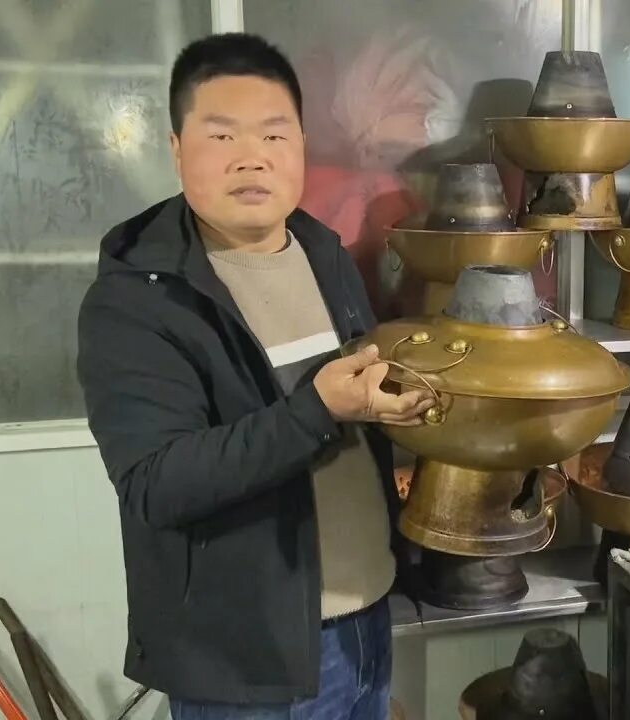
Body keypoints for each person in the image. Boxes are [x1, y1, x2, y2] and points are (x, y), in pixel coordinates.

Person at [75, 32, 433, 720]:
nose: (252, 158)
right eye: (221, 136)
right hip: (247, 663)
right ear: (176, 148)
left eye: (274, 135)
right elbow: (156, 482)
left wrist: (393, 410)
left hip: (367, 619)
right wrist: (318, 410)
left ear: (301, 146)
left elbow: (351, 411)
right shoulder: (139, 300)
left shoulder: (323, 253)